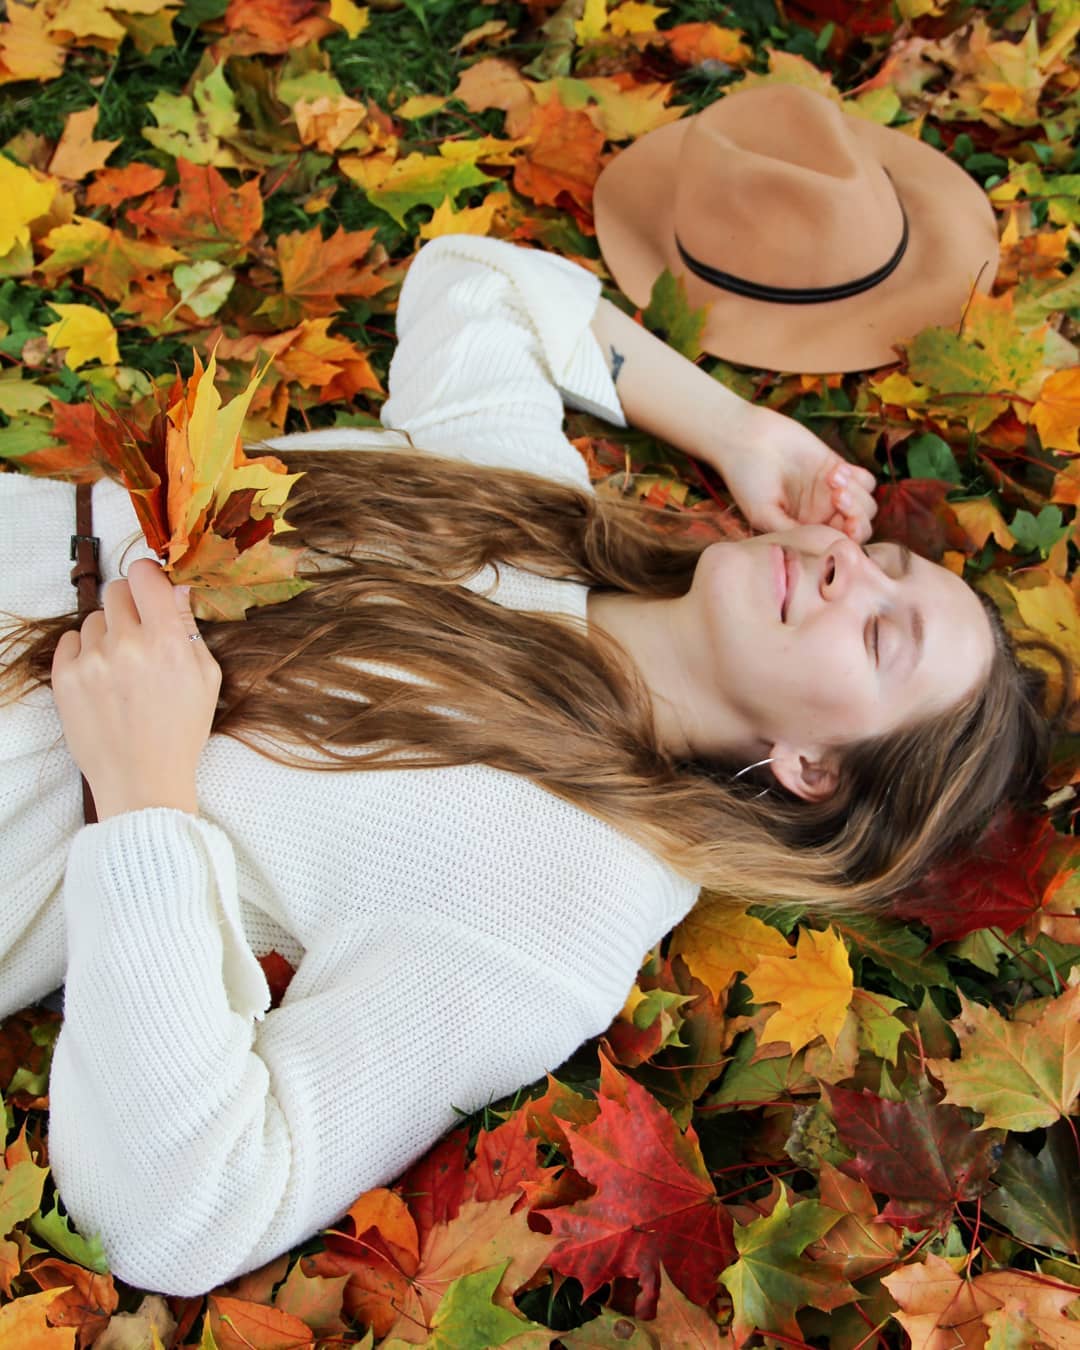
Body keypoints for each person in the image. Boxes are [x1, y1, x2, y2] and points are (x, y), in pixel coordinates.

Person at [0, 222, 1050, 1300]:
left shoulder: (561, 898)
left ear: (814, 769)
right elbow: (476, 278)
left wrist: (142, 800)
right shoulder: (526, 502)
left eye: (882, 637)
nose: (843, 568)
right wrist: (743, 430)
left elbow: (186, 1213)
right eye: (877, 560)